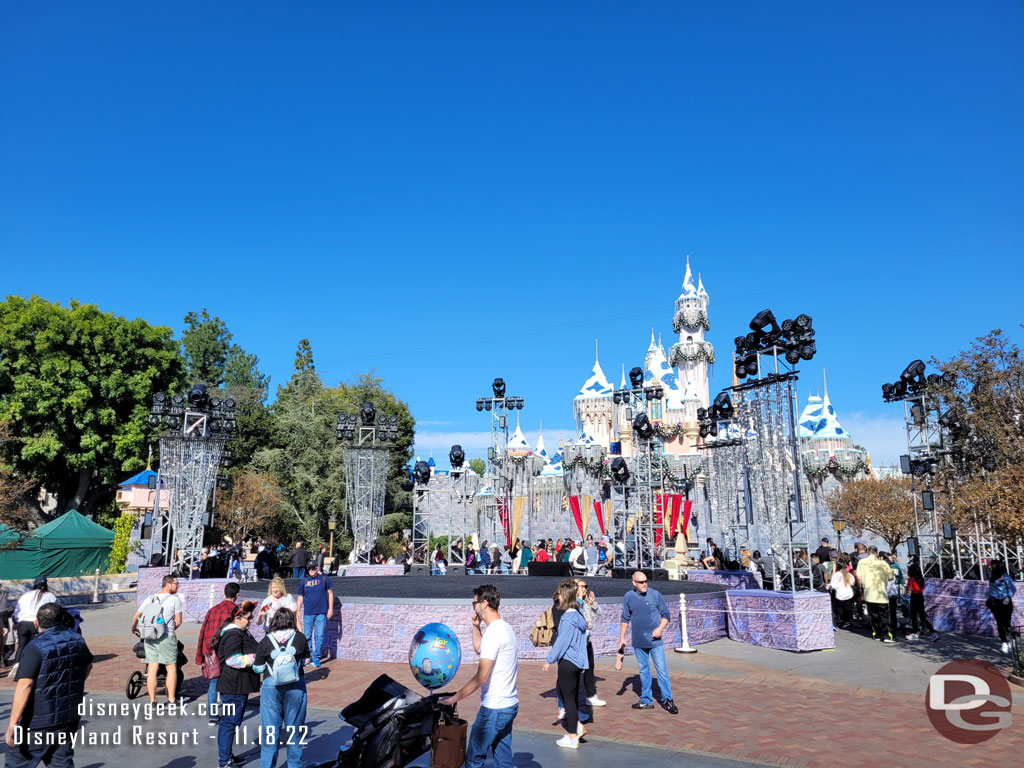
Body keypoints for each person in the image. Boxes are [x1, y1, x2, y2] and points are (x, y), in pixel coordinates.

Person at [4, 604, 93, 768]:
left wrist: (12, 724)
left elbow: (25, 685)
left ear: (37, 623)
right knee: (61, 762)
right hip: (69, 714)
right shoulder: (77, 639)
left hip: (39, 719)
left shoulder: (35, 647)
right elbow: (88, 666)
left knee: (19, 762)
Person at [440, 585, 518, 768]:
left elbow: (481, 677)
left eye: (474, 603)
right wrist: (476, 627)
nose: (473, 607)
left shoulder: (494, 633)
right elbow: (479, 648)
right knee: (503, 759)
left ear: (484, 604)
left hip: (494, 708)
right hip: (509, 705)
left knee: (474, 759)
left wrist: (454, 698)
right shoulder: (505, 628)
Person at [253, 607, 309, 768]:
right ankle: (294, 765)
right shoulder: (300, 638)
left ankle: (268, 765)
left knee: (270, 731)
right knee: (294, 729)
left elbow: (258, 668)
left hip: (271, 685)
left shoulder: (265, 641)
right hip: (296, 685)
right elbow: (305, 661)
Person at [617, 570, 677, 714]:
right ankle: (646, 700)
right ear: (634, 583)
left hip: (655, 641)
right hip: (638, 641)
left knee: (661, 670)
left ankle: (667, 699)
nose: (644, 584)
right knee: (644, 671)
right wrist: (621, 637)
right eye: (641, 582)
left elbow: (666, 614)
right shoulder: (629, 596)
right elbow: (625, 618)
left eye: (646, 581)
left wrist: (660, 628)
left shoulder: (655, 594)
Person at [215, 601, 260, 768]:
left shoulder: (239, 632)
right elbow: (233, 659)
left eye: (251, 617)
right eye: (248, 618)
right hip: (234, 685)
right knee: (229, 723)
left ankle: (227, 756)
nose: (250, 621)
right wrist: (256, 659)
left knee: (231, 723)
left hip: (237, 685)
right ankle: (224, 760)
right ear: (237, 617)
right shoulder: (234, 634)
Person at [543, 581, 588, 749]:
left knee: (567, 698)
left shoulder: (568, 617)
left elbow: (562, 641)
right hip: (576, 662)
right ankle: (576, 726)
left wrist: (549, 660)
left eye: (560, 594)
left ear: (566, 596)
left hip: (568, 662)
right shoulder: (578, 614)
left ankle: (572, 736)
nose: (558, 597)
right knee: (568, 695)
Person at [131, 573, 184, 703]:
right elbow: (178, 621)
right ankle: (171, 700)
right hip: (166, 637)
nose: (178, 586)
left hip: (150, 637)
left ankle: (152, 700)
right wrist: (170, 629)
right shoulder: (174, 599)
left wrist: (134, 629)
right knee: (171, 667)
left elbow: (135, 617)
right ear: (168, 585)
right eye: (176, 584)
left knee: (152, 668)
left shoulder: (150, 598)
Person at [196, 582, 240, 726]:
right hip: (228, 651)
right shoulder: (235, 610)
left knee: (213, 685)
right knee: (229, 685)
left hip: (211, 652)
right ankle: (229, 715)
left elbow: (202, 632)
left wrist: (200, 655)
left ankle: (213, 717)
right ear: (237, 595)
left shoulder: (213, 609)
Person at [296, 562, 334, 667]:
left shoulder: (324, 579)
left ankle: (316, 656)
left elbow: (330, 594)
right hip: (308, 612)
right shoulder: (304, 581)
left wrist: (330, 608)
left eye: (313, 568)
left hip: (321, 612)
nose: (311, 570)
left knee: (320, 635)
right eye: (309, 569)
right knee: (307, 636)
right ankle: (310, 656)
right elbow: (300, 596)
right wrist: (298, 610)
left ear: (317, 568)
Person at [14, 576, 57, 667]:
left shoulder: (25, 595)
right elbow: (55, 608)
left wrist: (17, 621)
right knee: (35, 646)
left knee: (21, 646)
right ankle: (33, 666)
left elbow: (17, 611)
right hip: (36, 623)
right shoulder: (49, 596)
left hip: (22, 623)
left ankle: (17, 665)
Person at [856, 546, 894, 643]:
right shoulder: (883, 563)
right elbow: (890, 577)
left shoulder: (861, 562)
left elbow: (859, 577)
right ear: (876, 553)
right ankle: (885, 635)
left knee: (873, 615)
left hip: (868, 593)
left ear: (868, 552)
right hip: (881, 593)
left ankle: (877, 634)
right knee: (884, 615)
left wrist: (860, 588)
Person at [576, 578, 604, 707]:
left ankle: (591, 695)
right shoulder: (572, 602)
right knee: (575, 670)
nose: (583, 589)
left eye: (585, 586)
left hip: (587, 640)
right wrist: (580, 599)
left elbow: (599, 614)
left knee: (589, 668)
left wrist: (594, 602)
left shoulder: (585, 602)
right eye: (580, 586)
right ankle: (571, 698)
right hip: (576, 641)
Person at [987, 560, 1017, 653]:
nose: (990, 567)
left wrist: (1008, 597)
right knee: (999, 622)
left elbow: (1012, 588)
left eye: (991, 566)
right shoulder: (991, 576)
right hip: (995, 602)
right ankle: (1004, 642)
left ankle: (1012, 639)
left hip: (1005, 602)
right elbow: (991, 589)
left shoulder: (1005, 576)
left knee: (1006, 623)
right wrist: (991, 599)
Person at [905, 557, 937, 640]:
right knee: (922, 616)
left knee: (914, 616)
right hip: (920, 596)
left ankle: (915, 633)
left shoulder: (911, 579)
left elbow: (908, 590)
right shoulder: (921, 579)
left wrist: (906, 588)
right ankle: (933, 632)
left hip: (914, 597)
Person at [830, 554, 855, 628]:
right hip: (849, 593)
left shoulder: (836, 575)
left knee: (840, 608)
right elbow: (852, 582)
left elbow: (833, 585)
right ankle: (847, 621)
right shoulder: (848, 574)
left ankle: (841, 620)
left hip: (840, 594)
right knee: (847, 608)